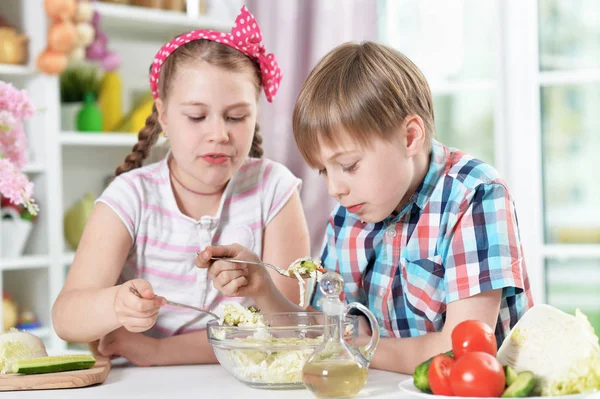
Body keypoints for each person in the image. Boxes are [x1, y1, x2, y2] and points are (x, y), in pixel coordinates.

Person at [196, 41, 534, 374]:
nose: (334, 188)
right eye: (324, 170)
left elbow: (464, 351)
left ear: (409, 137)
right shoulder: (351, 211)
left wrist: (355, 346)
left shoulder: (474, 195)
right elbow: (325, 328)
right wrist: (262, 288)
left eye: (349, 165)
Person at [52, 6, 310, 367]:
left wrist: (159, 351)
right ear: (164, 116)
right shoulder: (131, 196)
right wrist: (115, 305)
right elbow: (66, 317)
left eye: (237, 117)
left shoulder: (274, 188)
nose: (219, 134)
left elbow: (294, 329)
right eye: (196, 116)